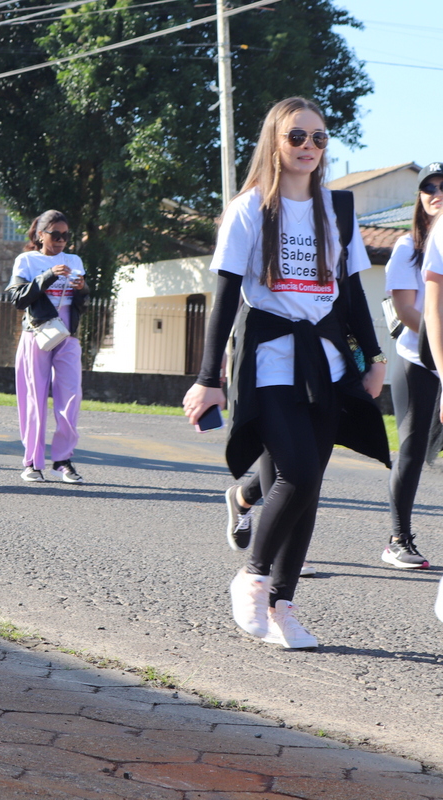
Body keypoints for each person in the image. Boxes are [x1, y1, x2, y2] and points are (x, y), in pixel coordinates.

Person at [184, 97, 388, 650]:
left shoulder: (337, 209)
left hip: (325, 364)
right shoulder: (250, 208)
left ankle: (282, 607)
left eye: (319, 138)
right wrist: (207, 378)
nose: (308, 147)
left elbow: (351, 294)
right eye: (297, 136)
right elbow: (226, 297)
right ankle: (251, 579)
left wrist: (374, 358)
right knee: (297, 474)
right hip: (270, 361)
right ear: (275, 141)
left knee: (307, 486)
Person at [381, 162, 443, 570]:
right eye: (428, 188)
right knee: (412, 448)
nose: (436, 193)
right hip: (416, 361)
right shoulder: (409, 246)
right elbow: (406, 309)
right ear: (419, 198)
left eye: (442, 186)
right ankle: (397, 539)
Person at [7, 210, 90, 484]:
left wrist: (82, 288)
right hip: (38, 332)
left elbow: (82, 302)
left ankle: (63, 460)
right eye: (55, 235)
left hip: (67, 333)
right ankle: (32, 462)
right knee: (35, 397)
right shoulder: (27, 260)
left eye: (66, 236)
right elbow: (18, 299)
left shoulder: (74, 260)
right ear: (40, 235)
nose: (61, 240)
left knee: (71, 396)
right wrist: (48, 275)